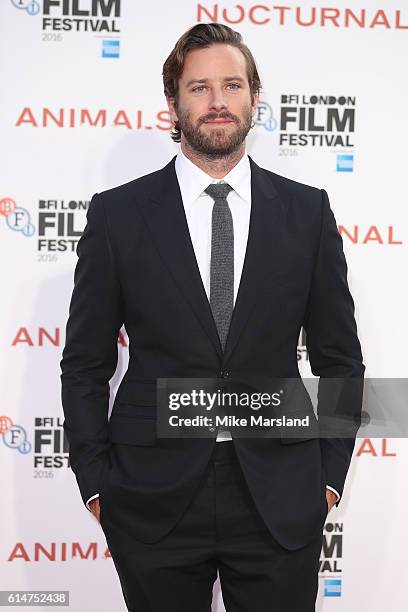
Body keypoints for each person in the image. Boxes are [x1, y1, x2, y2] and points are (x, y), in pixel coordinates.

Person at [60, 22, 364, 612]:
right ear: (173, 102)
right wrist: (97, 482)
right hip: (152, 496)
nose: (218, 101)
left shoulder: (307, 211)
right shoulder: (119, 216)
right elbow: (85, 364)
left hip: (279, 492)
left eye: (232, 85)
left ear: (254, 98)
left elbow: (340, 361)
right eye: (199, 87)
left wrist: (326, 480)